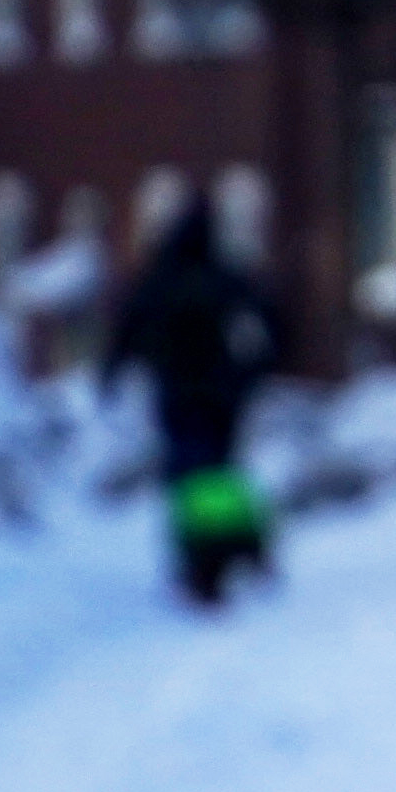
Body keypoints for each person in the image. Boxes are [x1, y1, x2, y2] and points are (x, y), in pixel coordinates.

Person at [99, 196, 285, 607]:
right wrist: (259, 367)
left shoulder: (159, 278)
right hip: (221, 392)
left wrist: (112, 372)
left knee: (190, 477)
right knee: (217, 472)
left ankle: (205, 562)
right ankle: (233, 552)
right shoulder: (222, 275)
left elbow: (128, 327)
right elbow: (269, 317)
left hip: (179, 393)